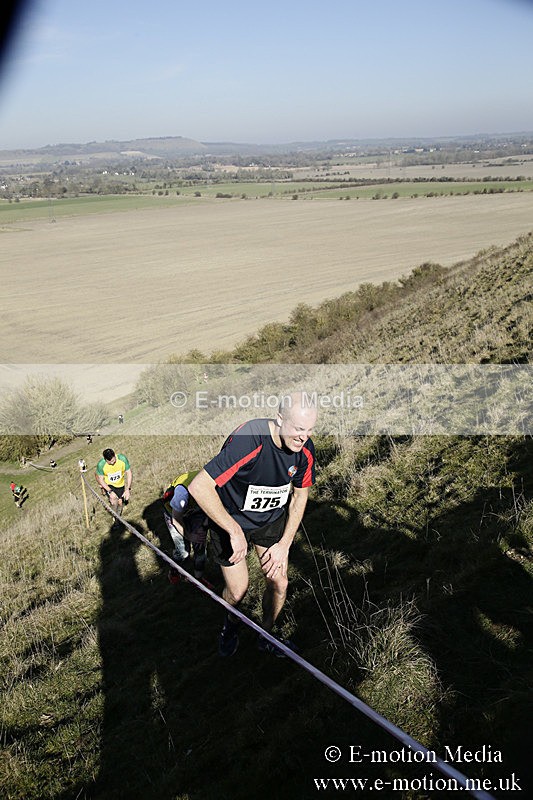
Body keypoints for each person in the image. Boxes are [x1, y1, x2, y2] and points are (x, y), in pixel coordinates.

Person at [188, 392, 317, 657]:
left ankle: (267, 635)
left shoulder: (304, 450)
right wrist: (233, 530)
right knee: (238, 591)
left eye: (310, 430)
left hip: (269, 519)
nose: (304, 437)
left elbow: (299, 495)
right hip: (230, 518)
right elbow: (199, 486)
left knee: (279, 582)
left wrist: (285, 544)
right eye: (298, 428)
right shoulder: (249, 440)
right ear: (280, 419)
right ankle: (230, 625)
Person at [162, 470, 212, 588]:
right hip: (173, 513)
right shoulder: (182, 494)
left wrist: (204, 525)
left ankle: (198, 580)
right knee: (183, 552)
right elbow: (176, 520)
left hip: (196, 511)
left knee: (200, 546)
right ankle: (174, 571)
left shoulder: (212, 484)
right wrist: (189, 536)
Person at [95, 449, 132, 531]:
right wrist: (110, 491)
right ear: (105, 459)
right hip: (109, 485)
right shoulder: (101, 465)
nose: (112, 463)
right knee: (113, 500)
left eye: (113, 460)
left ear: (115, 455)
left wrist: (128, 489)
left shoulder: (122, 459)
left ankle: (117, 510)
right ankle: (116, 520)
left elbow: (129, 472)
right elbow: (101, 479)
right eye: (110, 462)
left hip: (120, 484)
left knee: (120, 502)